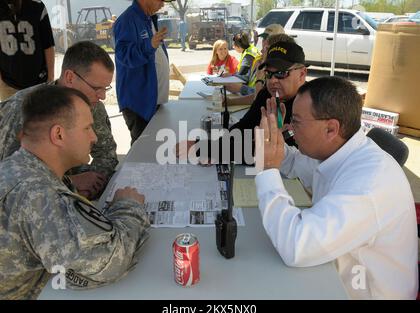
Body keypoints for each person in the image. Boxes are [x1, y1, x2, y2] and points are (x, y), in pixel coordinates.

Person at [254, 76, 419, 299]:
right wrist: (273, 143)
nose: (291, 129)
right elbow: (299, 165)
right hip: (336, 276)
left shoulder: (369, 183)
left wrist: (267, 171)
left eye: (297, 121)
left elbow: (295, 246)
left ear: (331, 129)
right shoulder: (344, 150)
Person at [0, 86, 150, 300]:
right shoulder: (36, 193)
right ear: (58, 134)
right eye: (87, 128)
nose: (94, 137)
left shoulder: (21, 167)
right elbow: (108, 262)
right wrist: (129, 207)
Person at [0, 41, 118, 200]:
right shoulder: (22, 109)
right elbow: (8, 178)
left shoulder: (92, 104)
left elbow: (107, 154)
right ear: (70, 77)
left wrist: (93, 184)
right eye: (97, 88)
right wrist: (70, 183)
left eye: (106, 88)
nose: (102, 96)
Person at [177, 40, 307, 163]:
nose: (273, 81)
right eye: (269, 74)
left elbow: (264, 152)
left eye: (281, 73)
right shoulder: (267, 94)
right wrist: (216, 149)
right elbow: (244, 127)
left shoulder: (309, 107)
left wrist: (206, 148)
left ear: (302, 74)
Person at [114, 0, 169, 145]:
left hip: (152, 101)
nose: (163, 4)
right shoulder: (127, 20)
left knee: (153, 148)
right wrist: (149, 45)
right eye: (160, 0)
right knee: (143, 151)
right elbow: (124, 56)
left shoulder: (148, 18)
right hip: (139, 103)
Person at [0, 0, 55, 101]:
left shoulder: (37, 6)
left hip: (39, 83)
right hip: (7, 84)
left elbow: (48, 45)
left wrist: (50, 77)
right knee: (11, 117)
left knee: (41, 116)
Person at [227, 29, 288, 107]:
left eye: (267, 48)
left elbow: (262, 97)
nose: (262, 49)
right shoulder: (258, 59)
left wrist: (240, 89)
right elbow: (248, 78)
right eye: (263, 39)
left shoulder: (274, 72)